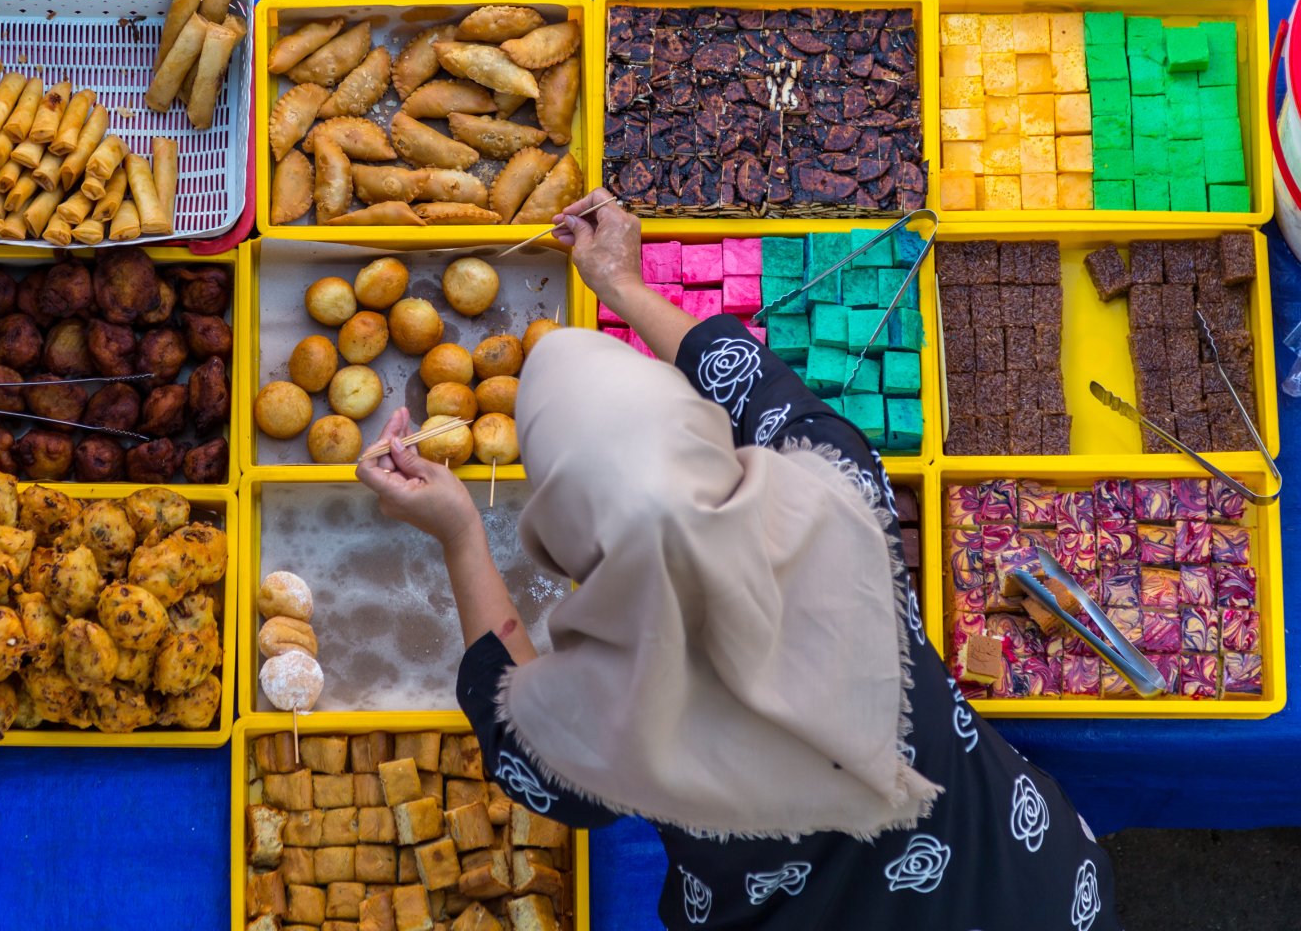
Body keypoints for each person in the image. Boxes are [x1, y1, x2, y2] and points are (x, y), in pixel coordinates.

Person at [357, 189, 1120, 930]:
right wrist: (620, 281)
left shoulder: (621, 711)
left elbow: (517, 737)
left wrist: (460, 532)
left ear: (562, 534)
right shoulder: (840, 489)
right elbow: (752, 382)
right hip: (1029, 885)